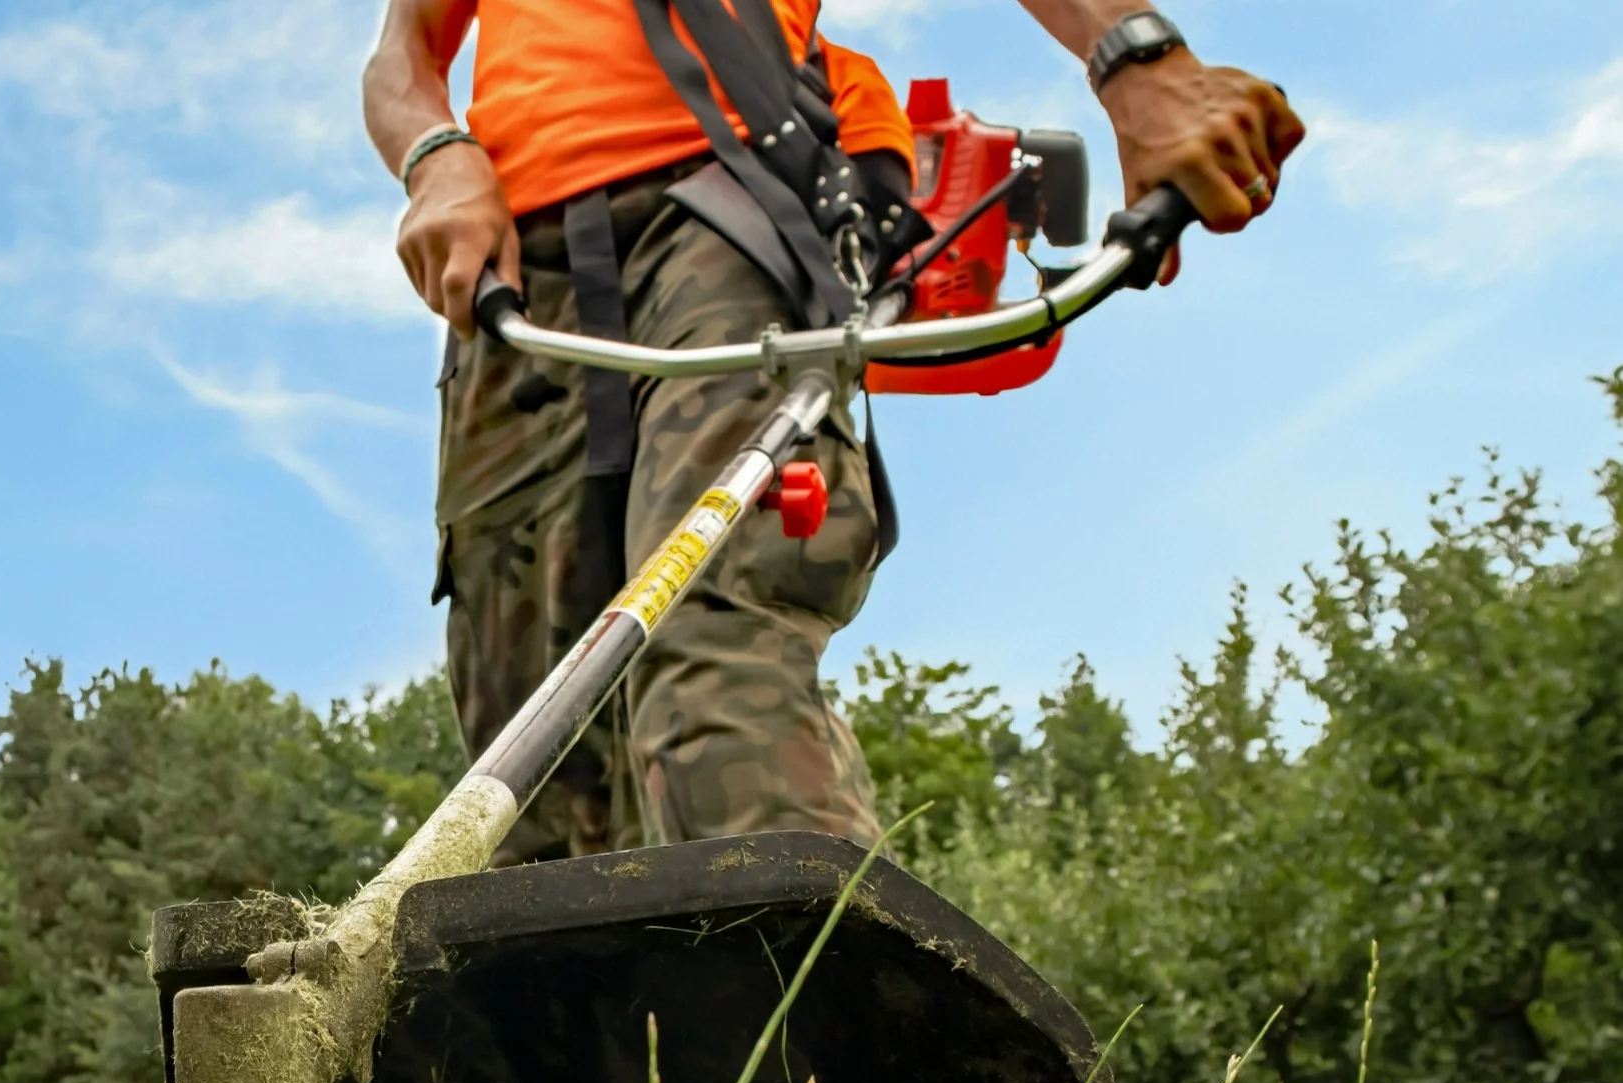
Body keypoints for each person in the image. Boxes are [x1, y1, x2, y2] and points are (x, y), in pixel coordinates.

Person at [362, 2, 1303, 863]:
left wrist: (1138, 58)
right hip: (513, 289)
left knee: (711, 657)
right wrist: (436, 155)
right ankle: (598, 1047)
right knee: (524, 771)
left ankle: (820, 1035)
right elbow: (401, 58)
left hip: (719, 217)